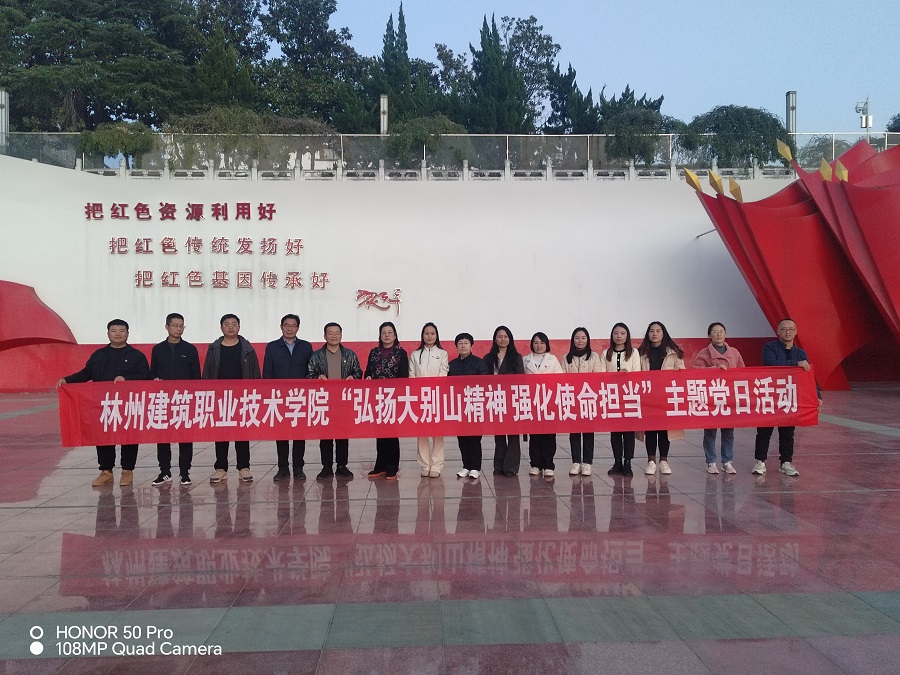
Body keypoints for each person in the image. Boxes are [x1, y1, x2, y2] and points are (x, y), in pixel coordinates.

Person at [57, 319, 151, 487]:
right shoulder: (99, 355)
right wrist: (67, 380)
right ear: (108, 333)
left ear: (128, 333)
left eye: (121, 330)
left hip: (127, 405)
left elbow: (146, 376)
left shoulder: (136, 356)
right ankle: (106, 471)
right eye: (114, 331)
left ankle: (127, 470)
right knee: (103, 436)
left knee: (129, 437)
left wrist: (126, 379)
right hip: (104, 404)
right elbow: (86, 373)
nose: (117, 334)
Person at [753, 318, 823, 477]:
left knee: (787, 432)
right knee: (764, 431)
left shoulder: (801, 353)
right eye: (784, 329)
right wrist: (795, 364)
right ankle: (760, 461)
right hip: (770, 395)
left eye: (791, 329)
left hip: (789, 397)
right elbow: (772, 365)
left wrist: (817, 396)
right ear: (778, 331)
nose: (787, 331)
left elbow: (808, 376)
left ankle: (786, 462)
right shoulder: (769, 347)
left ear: (795, 332)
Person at [202, 313, 261, 484]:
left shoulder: (248, 349)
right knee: (221, 433)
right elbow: (207, 373)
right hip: (220, 398)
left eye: (234, 324)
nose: (230, 327)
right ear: (221, 328)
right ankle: (220, 468)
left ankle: (244, 467)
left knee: (242, 433)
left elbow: (255, 373)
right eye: (227, 324)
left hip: (242, 397)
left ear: (239, 327)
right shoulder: (214, 349)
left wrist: (255, 394)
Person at [149, 313, 201, 487]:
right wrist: (154, 380)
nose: (178, 329)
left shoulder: (190, 349)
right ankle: (165, 472)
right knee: (163, 437)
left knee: (185, 437)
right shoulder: (158, 349)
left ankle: (185, 472)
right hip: (163, 399)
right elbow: (153, 372)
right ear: (167, 327)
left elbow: (196, 376)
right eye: (175, 325)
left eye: (181, 326)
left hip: (184, 399)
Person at [308, 322, 363, 480]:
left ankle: (342, 466)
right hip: (324, 401)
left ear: (341, 335)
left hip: (343, 400)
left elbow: (358, 372)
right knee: (325, 435)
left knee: (342, 435)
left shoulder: (350, 355)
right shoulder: (316, 356)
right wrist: (316, 378)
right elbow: (308, 375)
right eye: (330, 333)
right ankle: (326, 467)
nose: (334, 336)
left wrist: (353, 377)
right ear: (324, 336)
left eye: (337, 333)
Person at [263, 314, 314, 482]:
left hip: (300, 397)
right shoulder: (272, 347)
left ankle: (298, 468)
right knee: (281, 434)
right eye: (286, 325)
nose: (290, 328)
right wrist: (268, 394)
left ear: (298, 328)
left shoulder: (306, 347)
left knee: (299, 434)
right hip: (279, 397)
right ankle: (283, 468)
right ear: (281, 327)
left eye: (293, 325)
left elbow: (311, 371)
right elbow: (267, 372)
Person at [693, 322, 745, 475]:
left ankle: (727, 461)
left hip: (729, 397)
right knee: (710, 432)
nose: (718, 334)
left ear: (725, 334)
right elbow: (697, 372)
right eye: (715, 332)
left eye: (721, 331)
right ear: (709, 335)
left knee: (728, 431)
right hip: (711, 397)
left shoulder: (734, 352)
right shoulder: (703, 353)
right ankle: (711, 462)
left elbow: (743, 371)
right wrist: (714, 370)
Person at [638, 321, 686, 476]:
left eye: (658, 331)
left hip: (667, 396)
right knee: (651, 429)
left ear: (663, 333)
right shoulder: (641, 353)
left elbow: (683, 372)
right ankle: (651, 461)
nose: (655, 334)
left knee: (665, 429)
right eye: (651, 331)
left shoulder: (674, 353)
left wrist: (678, 372)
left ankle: (664, 461)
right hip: (648, 396)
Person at [364, 321, 409, 480]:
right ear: (380, 335)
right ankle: (380, 465)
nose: (387, 335)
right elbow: (367, 371)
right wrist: (367, 377)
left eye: (390, 332)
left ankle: (392, 466)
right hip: (377, 397)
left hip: (393, 398)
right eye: (384, 332)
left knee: (391, 433)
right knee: (380, 432)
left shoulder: (401, 353)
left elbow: (404, 376)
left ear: (395, 335)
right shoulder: (374, 352)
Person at [482, 325, 525, 477]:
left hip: (511, 400)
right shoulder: (488, 358)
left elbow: (520, 378)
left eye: (505, 336)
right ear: (495, 339)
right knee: (499, 435)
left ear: (510, 339)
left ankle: (511, 467)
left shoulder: (516, 357)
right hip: (495, 399)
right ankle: (499, 465)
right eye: (500, 336)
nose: (503, 339)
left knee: (513, 435)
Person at [561, 327, 603, 477]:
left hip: (588, 399)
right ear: (573, 340)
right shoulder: (566, 357)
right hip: (572, 399)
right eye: (577, 338)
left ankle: (587, 463)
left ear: (588, 340)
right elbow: (562, 378)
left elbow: (598, 376)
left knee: (588, 432)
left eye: (583, 338)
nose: (580, 341)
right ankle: (576, 462)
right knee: (574, 432)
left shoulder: (594, 357)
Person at [409, 322, 449, 477]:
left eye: (432, 333)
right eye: (427, 333)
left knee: (438, 433)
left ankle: (436, 466)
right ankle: (425, 465)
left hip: (437, 397)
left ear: (436, 336)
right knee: (422, 433)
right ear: (422, 335)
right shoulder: (415, 354)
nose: (429, 336)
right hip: (420, 398)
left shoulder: (442, 353)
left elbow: (443, 374)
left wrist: (434, 390)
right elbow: (412, 376)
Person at [600, 322, 641, 477]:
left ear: (627, 335)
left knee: (629, 432)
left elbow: (637, 372)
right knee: (615, 432)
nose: (619, 336)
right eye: (616, 333)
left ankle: (628, 463)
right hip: (612, 396)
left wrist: (627, 373)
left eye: (622, 333)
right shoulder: (606, 353)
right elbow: (601, 374)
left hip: (629, 396)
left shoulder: (634, 353)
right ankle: (617, 462)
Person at [448, 332, 489, 479]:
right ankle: (466, 466)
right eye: (460, 343)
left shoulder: (479, 363)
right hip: (459, 407)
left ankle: (476, 467)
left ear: (471, 345)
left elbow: (485, 384)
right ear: (456, 346)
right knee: (462, 438)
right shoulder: (452, 365)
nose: (463, 346)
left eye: (466, 343)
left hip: (475, 406)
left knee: (475, 439)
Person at [523, 331, 563, 478]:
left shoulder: (553, 360)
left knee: (549, 435)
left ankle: (548, 465)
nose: (538, 346)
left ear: (547, 344)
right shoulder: (525, 360)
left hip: (549, 402)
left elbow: (560, 379)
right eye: (536, 343)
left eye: (542, 343)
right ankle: (535, 464)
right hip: (532, 402)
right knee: (535, 435)